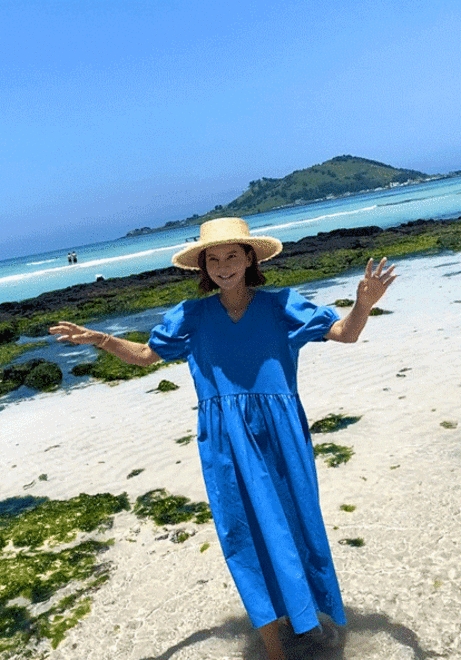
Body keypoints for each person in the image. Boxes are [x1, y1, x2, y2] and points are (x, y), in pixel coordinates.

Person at [50, 217, 396, 660]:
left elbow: (345, 333)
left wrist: (363, 304)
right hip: (225, 441)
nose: (223, 265)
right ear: (203, 268)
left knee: (296, 524)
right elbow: (145, 356)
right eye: (213, 259)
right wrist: (99, 338)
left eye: (232, 255)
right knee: (242, 534)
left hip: (281, 436)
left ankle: (304, 617)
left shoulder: (281, 305)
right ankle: (274, 650)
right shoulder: (191, 316)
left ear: (250, 258)